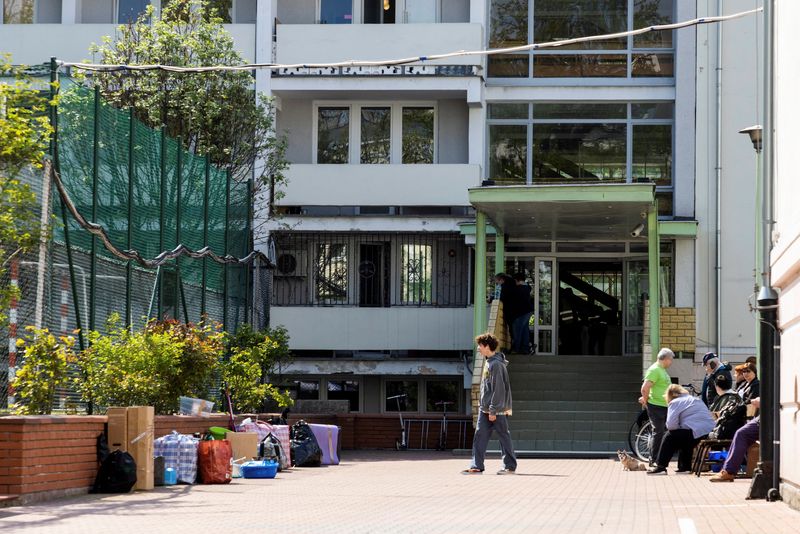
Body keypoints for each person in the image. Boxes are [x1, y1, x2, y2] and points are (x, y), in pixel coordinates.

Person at [463, 333, 517, 475]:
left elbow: (498, 389)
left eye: (480, 346)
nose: (479, 349)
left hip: (496, 409)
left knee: (503, 436)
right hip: (485, 409)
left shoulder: (496, 365)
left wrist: (493, 410)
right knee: (480, 435)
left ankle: (510, 466)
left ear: (487, 346)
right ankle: (476, 465)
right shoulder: (489, 362)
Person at [647, 384, 715, 475]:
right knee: (685, 435)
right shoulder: (696, 399)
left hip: (694, 431)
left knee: (669, 436)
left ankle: (661, 467)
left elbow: (671, 425)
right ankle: (685, 467)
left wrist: (678, 426)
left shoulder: (675, 402)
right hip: (708, 430)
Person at [710, 398, 761, 482]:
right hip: (768, 413)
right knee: (741, 433)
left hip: (771, 413)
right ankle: (728, 470)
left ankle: (729, 471)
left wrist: (762, 401)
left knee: (742, 434)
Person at [639, 348, 674, 465]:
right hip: (656, 406)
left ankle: (659, 459)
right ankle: (653, 459)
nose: (671, 362)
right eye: (671, 359)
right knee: (658, 432)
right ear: (666, 359)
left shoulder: (661, 370)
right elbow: (645, 388)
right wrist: (645, 400)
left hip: (663, 405)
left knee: (663, 432)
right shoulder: (655, 370)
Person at [708, 374, 746, 440]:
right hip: (734, 430)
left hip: (723, 431)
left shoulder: (726, 398)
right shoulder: (736, 397)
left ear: (717, 387)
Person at [510, 272, 534, 354]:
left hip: (521, 312)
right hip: (528, 311)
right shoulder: (527, 287)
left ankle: (516, 349)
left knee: (518, 330)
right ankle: (525, 348)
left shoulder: (518, 289)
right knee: (524, 329)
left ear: (516, 280)